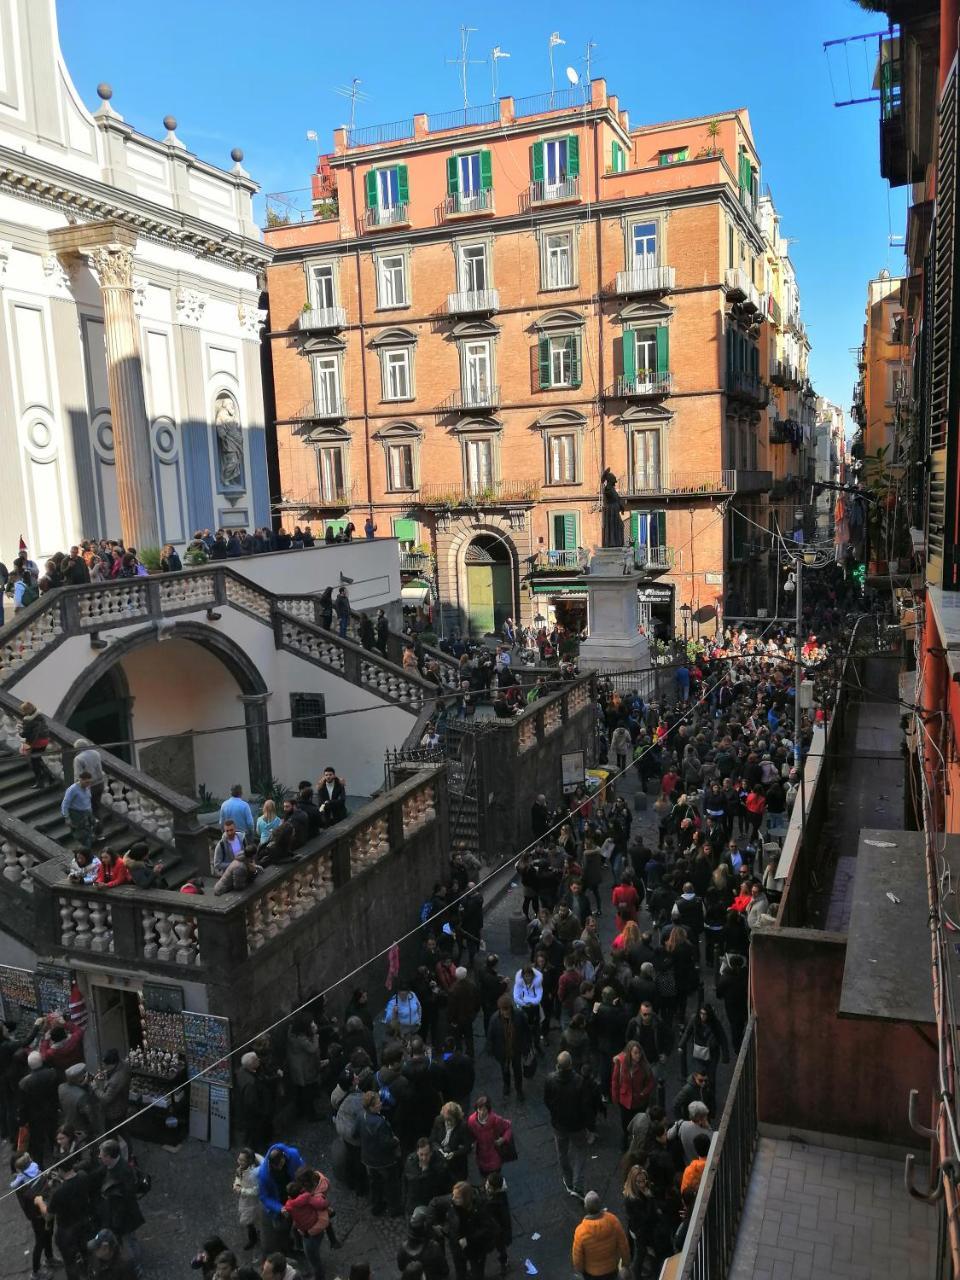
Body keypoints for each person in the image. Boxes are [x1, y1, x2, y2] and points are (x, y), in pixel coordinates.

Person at [544, 1051, 592, 1199]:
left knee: (562, 1153)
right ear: (570, 1064)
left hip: (559, 1125)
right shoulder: (579, 1081)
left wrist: (555, 1114)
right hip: (577, 1125)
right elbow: (585, 1106)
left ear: (558, 1065)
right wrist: (588, 1125)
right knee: (581, 1151)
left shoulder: (550, 1080)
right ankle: (578, 1183)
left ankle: (568, 1180)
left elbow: (547, 1101)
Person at [96, 1138, 145, 1272]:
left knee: (130, 1241)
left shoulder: (123, 1172)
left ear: (110, 1157)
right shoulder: (113, 1166)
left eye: (102, 1155)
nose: (100, 1157)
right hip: (116, 1215)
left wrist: (116, 1220)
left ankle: (137, 1266)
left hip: (125, 1216)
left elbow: (126, 1199)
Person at [359, 1090, 402, 1217]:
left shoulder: (361, 1116)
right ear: (372, 1107)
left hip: (368, 1159)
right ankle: (394, 1209)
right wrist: (395, 1141)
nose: (381, 1103)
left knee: (374, 1184)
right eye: (378, 1102)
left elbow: (354, 1133)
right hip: (383, 1161)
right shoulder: (380, 1122)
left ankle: (376, 1207)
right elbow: (386, 1143)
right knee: (391, 1184)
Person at [571, 1191, 630, 1280]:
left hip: (592, 1273)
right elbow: (623, 1245)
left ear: (585, 1207)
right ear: (600, 1205)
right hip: (611, 1268)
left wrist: (581, 1270)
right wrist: (625, 1263)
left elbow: (577, 1258)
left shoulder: (580, 1231)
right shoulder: (613, 1221)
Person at [258, 1145, 306, 1255]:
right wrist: (279, 1208)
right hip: (280, 1201)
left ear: (284, 1157)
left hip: (295, 1195)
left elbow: (301, 1168)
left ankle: (299, 1244)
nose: (280, 1168)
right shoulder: (264, 1174)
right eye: (276, 1166)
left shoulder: (293, 1154)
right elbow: (264, 1197)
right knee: (282, 1228)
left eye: (281, 1164)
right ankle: (288, 1248)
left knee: (300, 1223)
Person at [610, 1042, 656, 1148]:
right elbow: (615, 1081)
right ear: (629, 1053)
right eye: (635, 1053)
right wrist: (615, 1098)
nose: (638, 1056)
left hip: (639, 1101)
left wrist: (643, 1092)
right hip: (625, 1101)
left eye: (639, 1053)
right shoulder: (621, 1063)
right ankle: (626, 1139)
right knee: (625, 1124)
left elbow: (651, 1082)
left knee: (639, 1124)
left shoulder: (644, 1066)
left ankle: (637, 1143)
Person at [486, 993, 530, 1101]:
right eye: (503, 1010)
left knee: (517, 1070)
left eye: (507, 1009)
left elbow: (526, 1032)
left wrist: (526, 1047)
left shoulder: (519, 1016)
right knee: (504, 1069)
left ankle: (519, 1089)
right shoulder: (494, 1019)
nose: (505, 1012)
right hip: (502, 1050)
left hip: (516, 1048)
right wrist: (490, 1048)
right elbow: (490, 1036)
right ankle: (507, 1085)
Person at [19, 1050, 59, 1167]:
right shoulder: (52, 1074)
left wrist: (22, 1121)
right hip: (51, 1111)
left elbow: (23, 1105)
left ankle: (40, 1167)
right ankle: (58, 1159)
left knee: (38, 1144)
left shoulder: (24, 1083)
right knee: (54, 1136)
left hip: (34, 1117)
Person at [467, 1095, 512, 1177]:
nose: (481, 1112)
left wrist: (503, 1139)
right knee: (483, 1175)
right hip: (481, 1156)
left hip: (494, 1154)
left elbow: (508, 1127)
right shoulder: (471, 1120)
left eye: (484, 1109)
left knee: (495, 1177)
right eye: (479, 1109)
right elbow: (471, 1134)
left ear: (488, 1109)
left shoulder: (495, 1119)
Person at [93, 1047, 132, 1130]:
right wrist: (106, 1075)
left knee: (113, 1131)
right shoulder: (123, 1064)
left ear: (112, 1064)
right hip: (122, 1103)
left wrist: (95, 1087)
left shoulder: (115, 1080)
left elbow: (106, 1098)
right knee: (122, 1128)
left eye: (105, 1065)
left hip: (114, 1111)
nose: (103, 1067)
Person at [233, 1148, 263, 1252]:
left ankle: (253, 1239)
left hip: (253, 1202)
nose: (239, 1162)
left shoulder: (254, 1174)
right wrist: (237, 1184)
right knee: (251, 1221)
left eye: (242, 1160)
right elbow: (238, 1177)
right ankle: (256, 1234)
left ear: (249, 1161)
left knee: (249, 1221)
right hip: (245, 1200)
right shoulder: (241, 1169)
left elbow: (257, 1190)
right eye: (239, 1159)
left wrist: (242, 1190)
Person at [74, 737, 105, 832]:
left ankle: (91, 831)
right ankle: (99, 831)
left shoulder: (78, 759)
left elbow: (79, 776)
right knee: (96, 809)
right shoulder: (96, 753)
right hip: (100, 783)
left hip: (88, 787)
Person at [20, 701, 52, 789]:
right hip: (44, 740)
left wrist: (20, 732)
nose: (22, 712)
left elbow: (26, 734)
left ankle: (40, 782)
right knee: (38, 759)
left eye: (23, 710)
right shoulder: (39, 716)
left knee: (34, 762)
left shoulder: (28, 720)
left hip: (35, 742)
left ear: (27, 711)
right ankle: (50, 777)